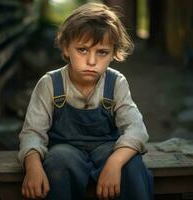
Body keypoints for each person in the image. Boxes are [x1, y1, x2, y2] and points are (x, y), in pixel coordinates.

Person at [18, 2, 153, 200]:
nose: (91, 61)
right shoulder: (50, 84)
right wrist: (32, 166)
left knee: (131, 164)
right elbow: (32, 133)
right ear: (66, 48)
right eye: (82, 50)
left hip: (106, 148)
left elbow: (136, 129)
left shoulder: (116, 83)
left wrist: (115, 162)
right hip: (65, 150)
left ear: (113, 53)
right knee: (56, 162)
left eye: (102, 52)